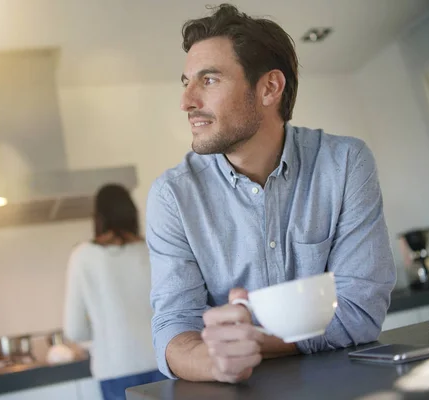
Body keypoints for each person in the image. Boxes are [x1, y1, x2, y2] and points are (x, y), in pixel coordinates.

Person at [146, 4, 396, 383]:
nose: (186, 102)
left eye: (209, 80)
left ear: (269, 88)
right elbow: (172, 325)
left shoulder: (345, 164)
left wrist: (253, 342)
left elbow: (360, 311)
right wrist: (216, 361)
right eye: (186, 82)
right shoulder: (172, 196)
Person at [63, 184, 166, 400]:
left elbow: (75, 330)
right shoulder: (153, 248)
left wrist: (108, 331)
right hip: (164, 361)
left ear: (98, 217)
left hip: (115, 368)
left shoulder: (82, 256)